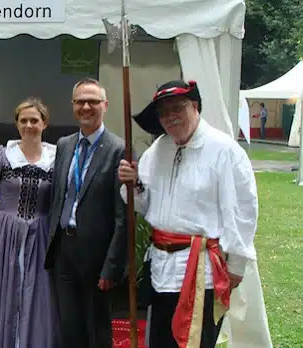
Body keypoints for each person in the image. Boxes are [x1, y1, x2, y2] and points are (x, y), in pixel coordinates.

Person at [118, 80, 258, 348]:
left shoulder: (224, 150)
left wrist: (237, 263)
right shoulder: (158, 149)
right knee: (161, 340)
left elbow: (242, 209)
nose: (170, 117)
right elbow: (145, 205)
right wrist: (133, 183)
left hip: (200, 271)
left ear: (194, 106)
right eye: (163, 112)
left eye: (177, 108)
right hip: (160, 269)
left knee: (193, 342)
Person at [0, 98, 59, 348]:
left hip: (40, 234)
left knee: (36, 293)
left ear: (44, 123)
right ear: (16, 124)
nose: (29, 125)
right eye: (23, 120)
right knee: (3, 292)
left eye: (34, 120)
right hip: (5, 234)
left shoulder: (56, 157)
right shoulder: (3, 156)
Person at [44, 78, 128, 347]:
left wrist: (112, 266)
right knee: (70, 327)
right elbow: (58, 197)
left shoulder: (119, 150)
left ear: (105, 105)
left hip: (97, 255)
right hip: (64, 250)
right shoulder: (64, 145)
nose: (86, 107)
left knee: (97, 328)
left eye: (92, 101)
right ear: (73, 106)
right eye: (80, 101)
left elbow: (122, 216)